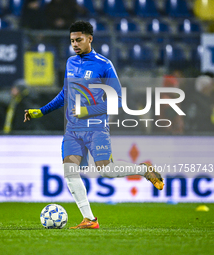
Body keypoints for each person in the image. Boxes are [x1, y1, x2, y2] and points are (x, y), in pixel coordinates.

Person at [24, 21, 164, 229]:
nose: (75, 44)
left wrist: (87, 110)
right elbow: (65, 93)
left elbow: (117, 101)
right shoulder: (71, 63)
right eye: (72, 41)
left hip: (96, 127)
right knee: (70, 172)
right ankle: (89, 219)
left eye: (79, 40)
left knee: (105, 171)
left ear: (90, 39)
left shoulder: (104, 65)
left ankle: (143, 169)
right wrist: (42, 111)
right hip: (72, 130)